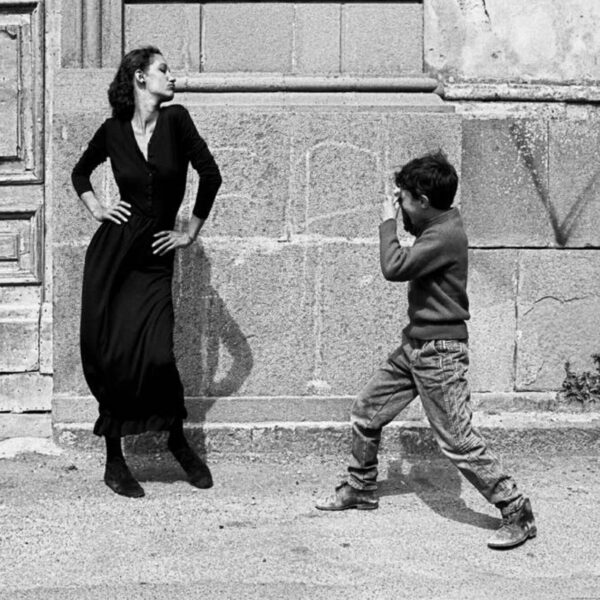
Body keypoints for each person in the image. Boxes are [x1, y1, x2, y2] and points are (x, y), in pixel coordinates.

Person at [315, 151, 536, 550]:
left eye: (403, 199)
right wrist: (401, 213)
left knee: (458, 440)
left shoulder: (445, 235)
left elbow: (394, 267)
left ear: (422, 200)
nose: (399, 205)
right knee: (366, 411)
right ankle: (360, 487)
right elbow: (411, 245)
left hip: (440, 352)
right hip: (415, 345)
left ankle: (516, 509)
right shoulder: (437, 223)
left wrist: (386, 222)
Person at [71, 46, 222, 498]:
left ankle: (176, 440)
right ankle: (114, 461)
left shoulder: (177, 121)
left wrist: (189, 232)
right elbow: (80, 173)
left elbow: (210, 175)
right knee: (112, 355)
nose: (173, 77)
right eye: (163, 70)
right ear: (140, 77)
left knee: (157, 353)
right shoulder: (113, 130)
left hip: (154, 257)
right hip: (112, 257)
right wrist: (98, 209)